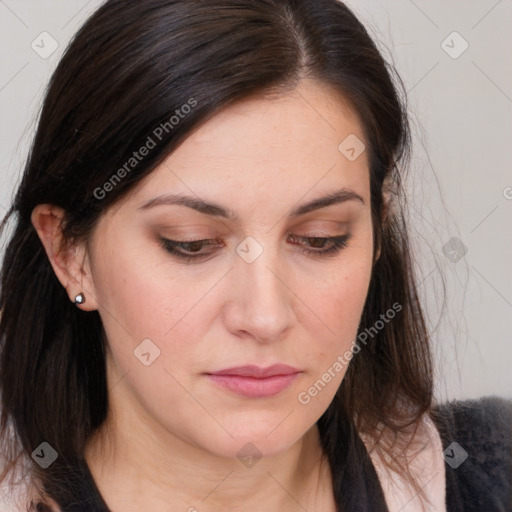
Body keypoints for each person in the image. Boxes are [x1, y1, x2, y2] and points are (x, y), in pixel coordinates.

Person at [0, 1, 510, 511]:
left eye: (321, 238)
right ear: (70, 253)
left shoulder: (490, 475)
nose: (265, 317)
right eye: (191, 243)